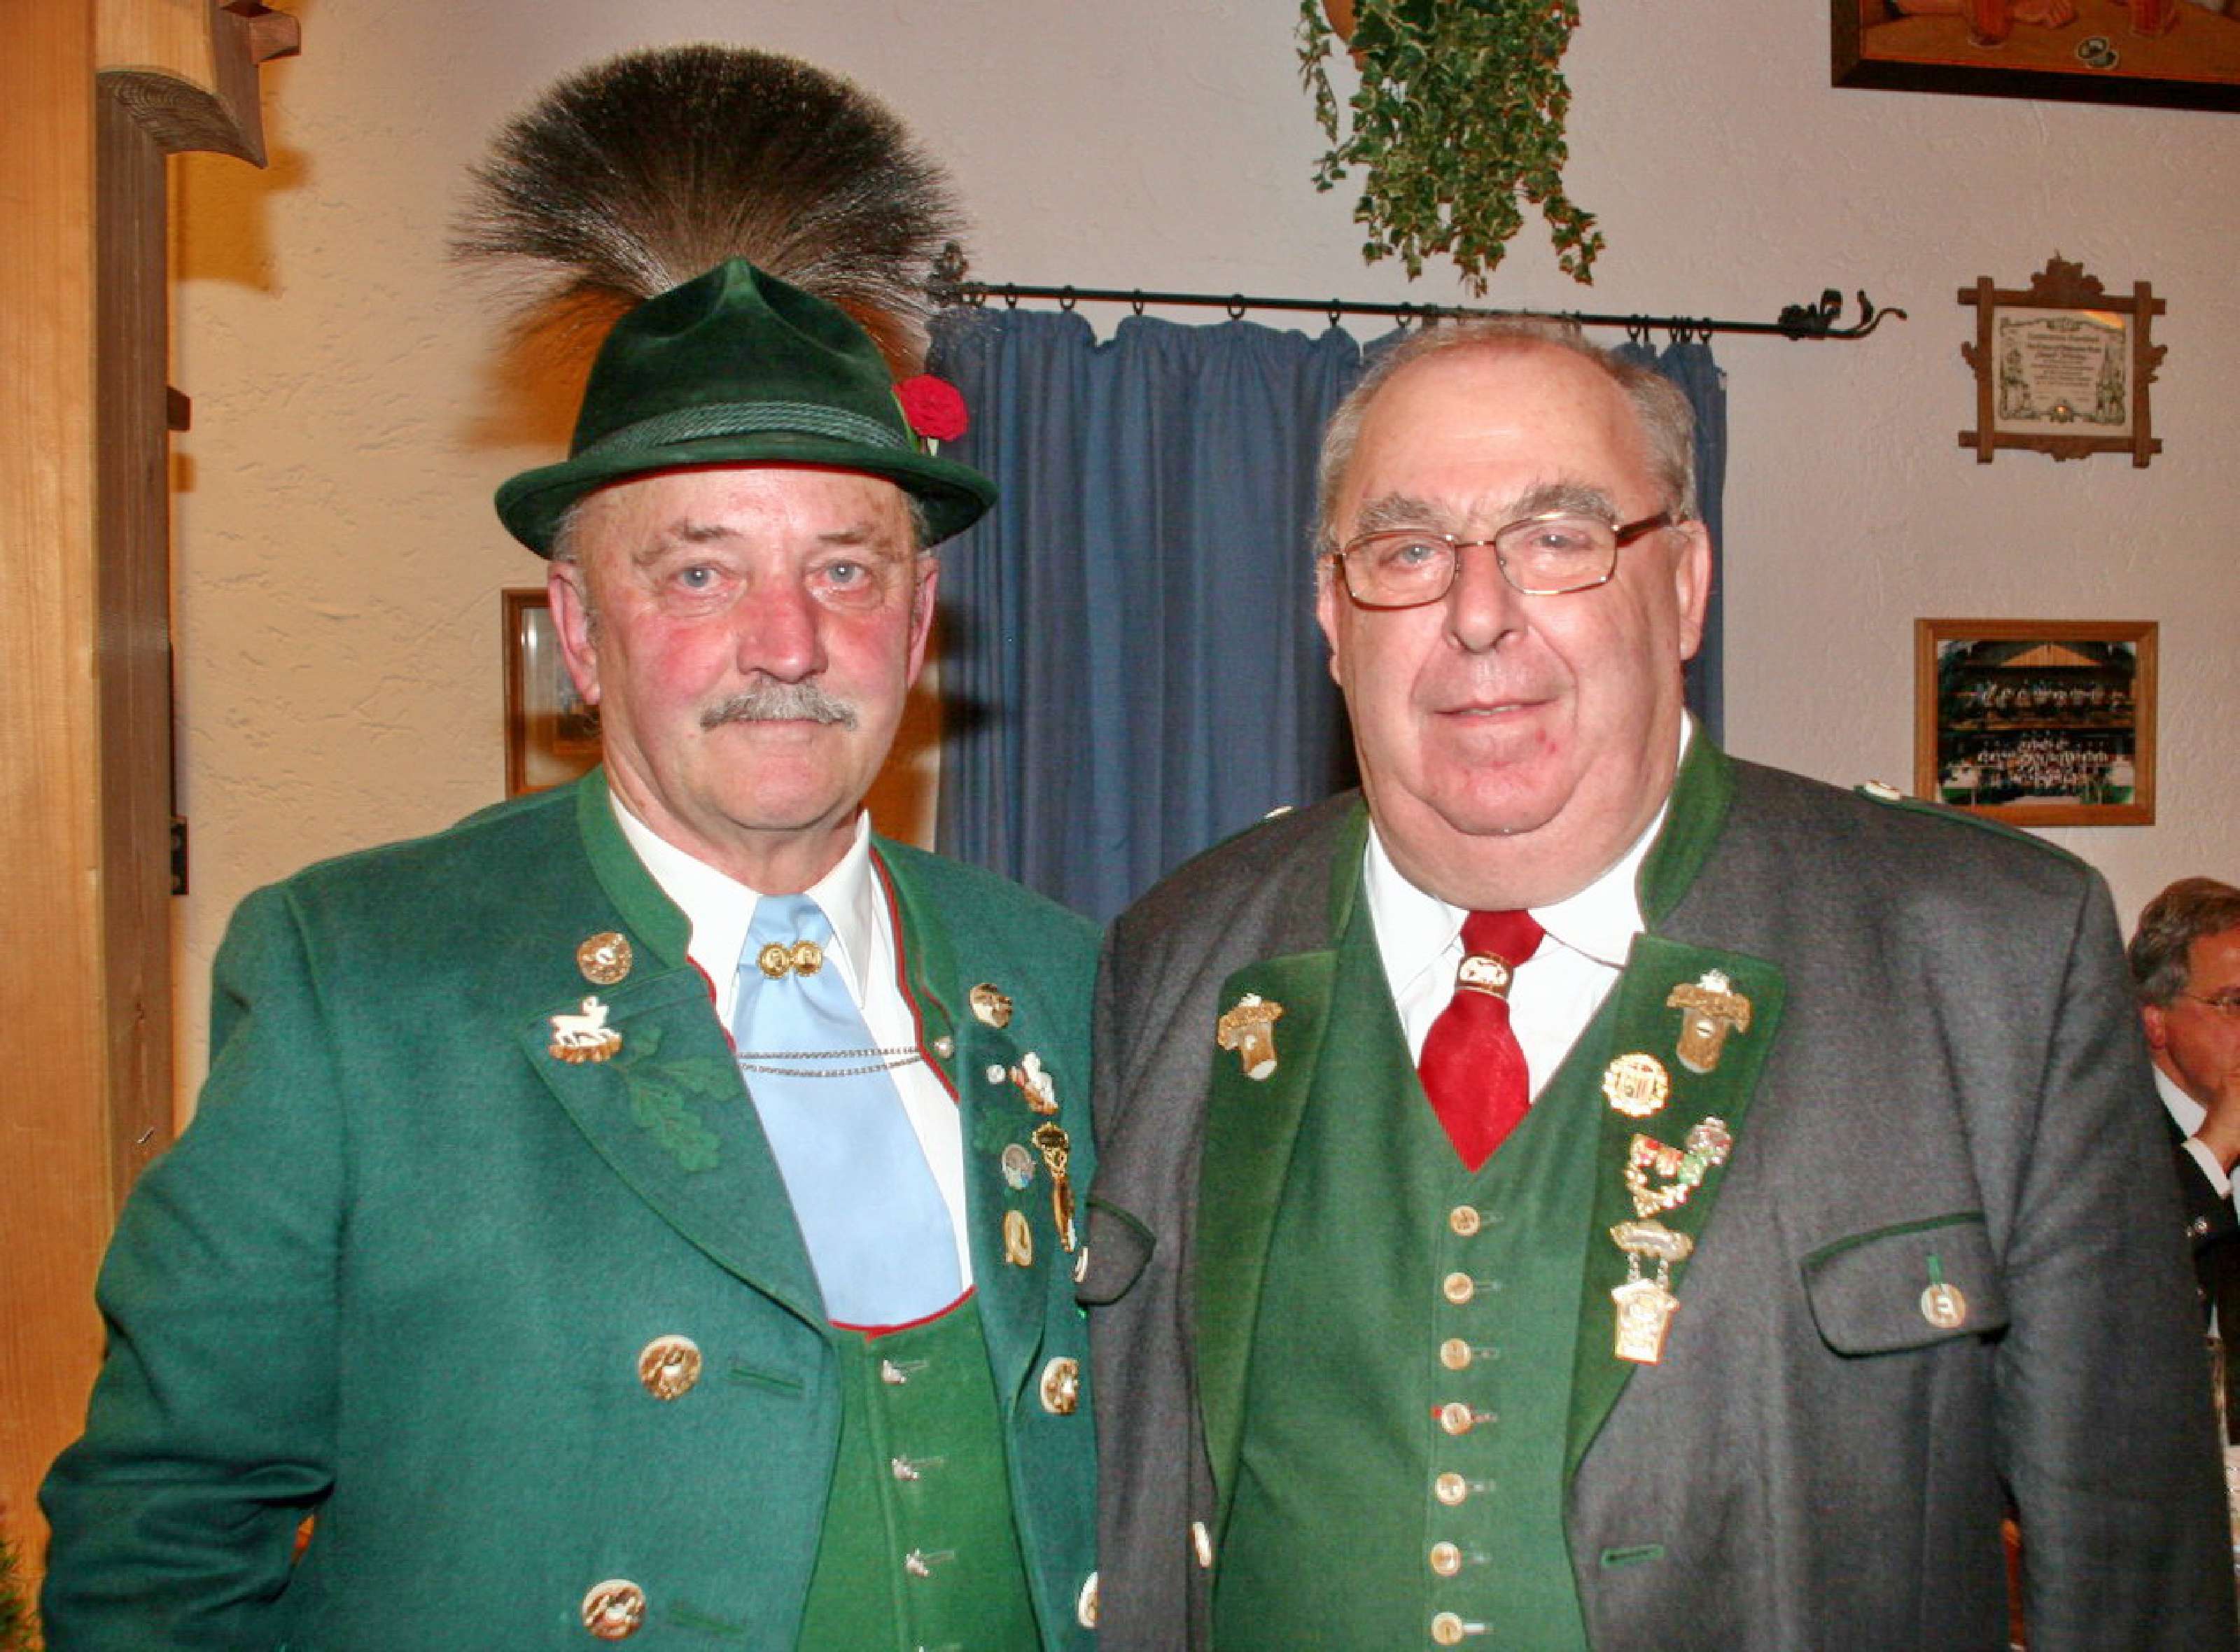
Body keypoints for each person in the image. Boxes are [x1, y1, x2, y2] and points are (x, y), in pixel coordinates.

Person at [1083, 318, 2233, 1651]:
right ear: (1334, 618)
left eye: (1558, 538)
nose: (1477, 613)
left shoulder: (1982, 955)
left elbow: (2136, 1568)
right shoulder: (1177, 958)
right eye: (1408, 552)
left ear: (1684, 586)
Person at [39, 261, 1100, 1645]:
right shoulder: (359, 980)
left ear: (915, 621)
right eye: (701, 573)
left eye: (844, 570)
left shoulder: (1064, 975)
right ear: (583, 632)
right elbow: (161, 1542)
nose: (787, 644)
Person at [2129, 875, 2240, 1424]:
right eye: (2234, 1003)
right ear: (2155, 1021)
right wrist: (2214, 1148)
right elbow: (2115, 1286)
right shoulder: (2102, 1135)